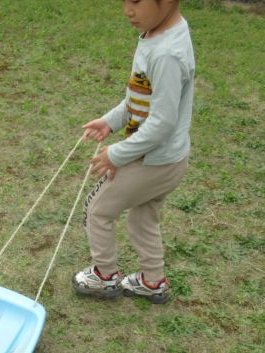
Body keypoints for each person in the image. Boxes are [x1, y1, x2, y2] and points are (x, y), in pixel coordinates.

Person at [73, 0, 195, 304]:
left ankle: (104, 276)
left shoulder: (167, 54)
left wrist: (117, 154)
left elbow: (162, 123)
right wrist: (110, 122)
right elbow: (139, 97)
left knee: (98, 211)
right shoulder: (158, 34)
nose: (128, 10)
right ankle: (153, 282)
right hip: (167, 159)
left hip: (153, 161)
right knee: (142, 218)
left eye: (137, 1)